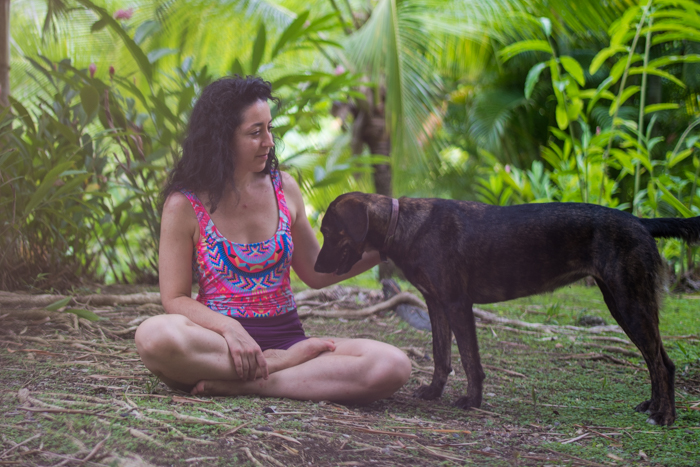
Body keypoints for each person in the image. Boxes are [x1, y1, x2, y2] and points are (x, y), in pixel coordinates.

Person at [135, 76, 412, 404]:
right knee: (154, 336)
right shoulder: (184, 205)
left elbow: (315, 270)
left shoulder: (284, 189)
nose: (268, 141)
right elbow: (176, 298)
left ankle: (256, 381)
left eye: (269, 128)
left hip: (290, 342)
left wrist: (387, 249)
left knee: (392, 365)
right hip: (220, 345)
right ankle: (277, 371)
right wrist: (229, 329)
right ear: (221, 138)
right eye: (255, 132)